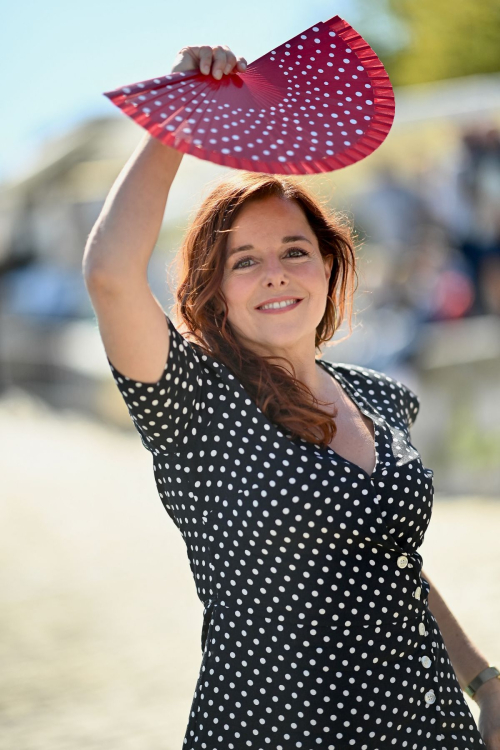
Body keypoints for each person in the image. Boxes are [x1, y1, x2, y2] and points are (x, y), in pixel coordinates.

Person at [82, 44, 500, 750]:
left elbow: (391, 561)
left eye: (294, 251)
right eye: (244, 261)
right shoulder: (194, 402)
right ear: (213, 290)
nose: (274, 274)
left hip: (430, 727)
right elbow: (112, 275)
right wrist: (179, 110)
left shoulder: (381, 397)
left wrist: (485, 683)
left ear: (330, 266)